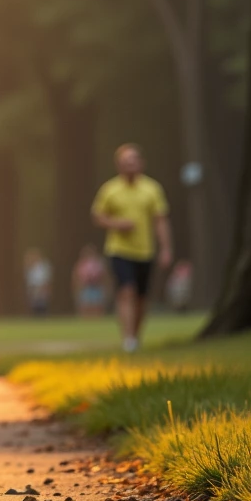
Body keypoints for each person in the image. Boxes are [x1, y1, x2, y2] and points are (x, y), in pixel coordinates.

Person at [91, 143, 173, 353]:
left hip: (145, 251)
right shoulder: (110, 190)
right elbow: (98, 216)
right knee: (126, 292)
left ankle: (135, 336)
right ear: (119, 165)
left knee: (142, 298)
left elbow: (160, 220)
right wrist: (117, 224)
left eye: (133, 160)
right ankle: (128, 339)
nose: (130, 165)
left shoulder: (152, 189)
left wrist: (165, 248)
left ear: (141, 163)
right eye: (125, 162)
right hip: (118, 250)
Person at [71, 242, 108, 318]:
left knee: (97, 306)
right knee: (85, 306)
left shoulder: (99, 263)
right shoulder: (81, 264)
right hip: (85, 287)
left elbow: (103, 276)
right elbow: (76, 276)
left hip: (96, 286)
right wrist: (77, 287)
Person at [23, 247, 53, 316]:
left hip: (41, 288)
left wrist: (46, 288)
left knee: (42, 307)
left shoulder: (43, 266)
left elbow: (46, 279)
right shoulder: (30, 267)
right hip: (33, 289)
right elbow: (29, 280)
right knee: (34, 307)